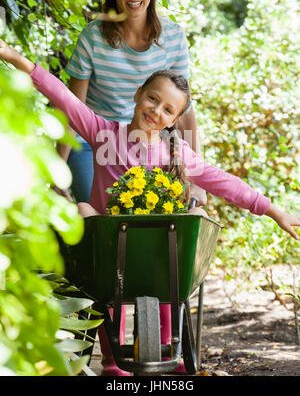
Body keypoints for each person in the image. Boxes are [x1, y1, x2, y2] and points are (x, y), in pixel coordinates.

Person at [1, 40, 299, 377]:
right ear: (138, 94)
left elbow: (224, 182)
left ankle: (168, 347)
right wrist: (12, 56)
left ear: (174, 120)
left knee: (194, 218)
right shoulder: (103, 134)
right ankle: (113, 359)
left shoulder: (176, 153)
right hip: (110, 249)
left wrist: (274, 210)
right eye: (153, 99)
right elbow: (63, 97)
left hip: (161, 254)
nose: (157, 111)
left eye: (168, 110)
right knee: (84, 208)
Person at [57, 0, 207, 206]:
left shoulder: (173, 37)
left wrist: (196, 182)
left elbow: (185, 112)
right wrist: (56, 175)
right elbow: (71, 109)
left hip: (148, 141)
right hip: (96, 141)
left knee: (154, 213)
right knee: (106, 211)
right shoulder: (93, 37)